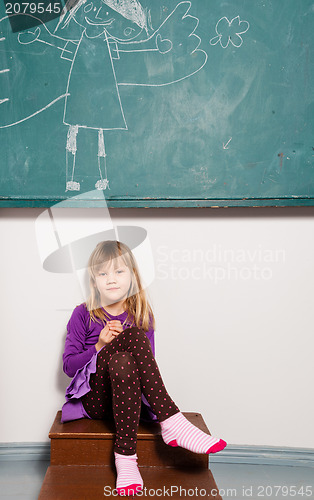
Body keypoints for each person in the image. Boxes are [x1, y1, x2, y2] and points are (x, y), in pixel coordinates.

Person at [61, 240, 227, 496]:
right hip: (96, 400)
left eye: (119, 271)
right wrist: (99, 345)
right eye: (103, 273)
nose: (111, 279)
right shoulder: (83, 314)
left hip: (129, 400)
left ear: (132, 277)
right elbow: (69, 368)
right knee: (133, 339)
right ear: (94, 282)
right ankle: (172, 421)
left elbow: (146, 370)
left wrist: (117, 348)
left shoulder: (142, 315)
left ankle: (126, 459)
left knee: (125, 358)